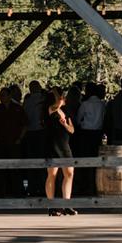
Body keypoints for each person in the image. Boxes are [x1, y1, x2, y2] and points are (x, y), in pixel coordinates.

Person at [0, 84, 28, 198]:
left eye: (3, 95)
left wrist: (20, 139)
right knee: (0, 168)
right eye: (0, 95)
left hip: (14, 143)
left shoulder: (18, 109)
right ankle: (1, 191)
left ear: (10, 96)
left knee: (16, 167)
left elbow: (25, 125)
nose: (1, 97)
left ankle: (18, 191)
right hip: (0, 143)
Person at [45, 87, 76, 215]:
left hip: (65, 146)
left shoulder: (66, 112)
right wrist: (56, 92)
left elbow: (72, 130)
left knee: (69, 173)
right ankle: (51, 206)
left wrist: (65, 124)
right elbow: (57, 103)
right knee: (52, 174)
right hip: (53, 145)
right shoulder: (51, 109)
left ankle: (66, 204)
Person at [73, 82, 106, 196]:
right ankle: (95, 186)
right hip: (97, 134)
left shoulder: (85, 104)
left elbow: (78, 119)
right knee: (96, 160)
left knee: (85, 160)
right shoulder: (102, 104)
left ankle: (86, 185)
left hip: (85, 134)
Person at [21, 81, 48, 196]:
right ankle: (43, 187)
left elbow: (24, 116)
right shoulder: (43, 100)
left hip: (30, 132)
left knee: (31, 161)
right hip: (41, 132)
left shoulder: (27, 101)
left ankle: (32, 187)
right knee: (42, 160)